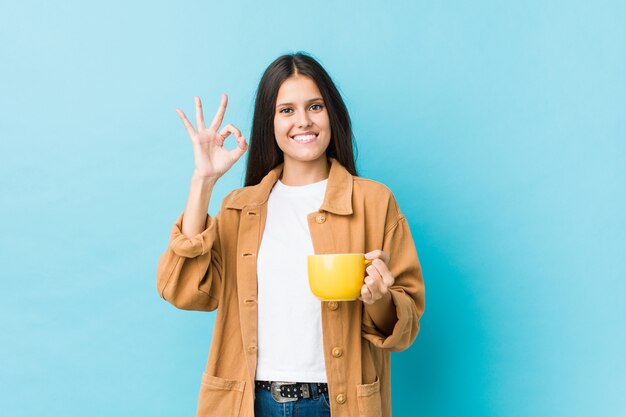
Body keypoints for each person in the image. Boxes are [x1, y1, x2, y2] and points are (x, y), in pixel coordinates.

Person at [156, 52, 425, 417]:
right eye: (287, 110)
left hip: (338, 403)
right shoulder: (239, 208)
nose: (303, 121)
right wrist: (202, 182)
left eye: (315, 106)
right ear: (270, 121)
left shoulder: (374, 202)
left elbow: (405, 327)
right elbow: (184, 290)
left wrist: (377, 297)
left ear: (332, 114)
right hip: (251, 404)